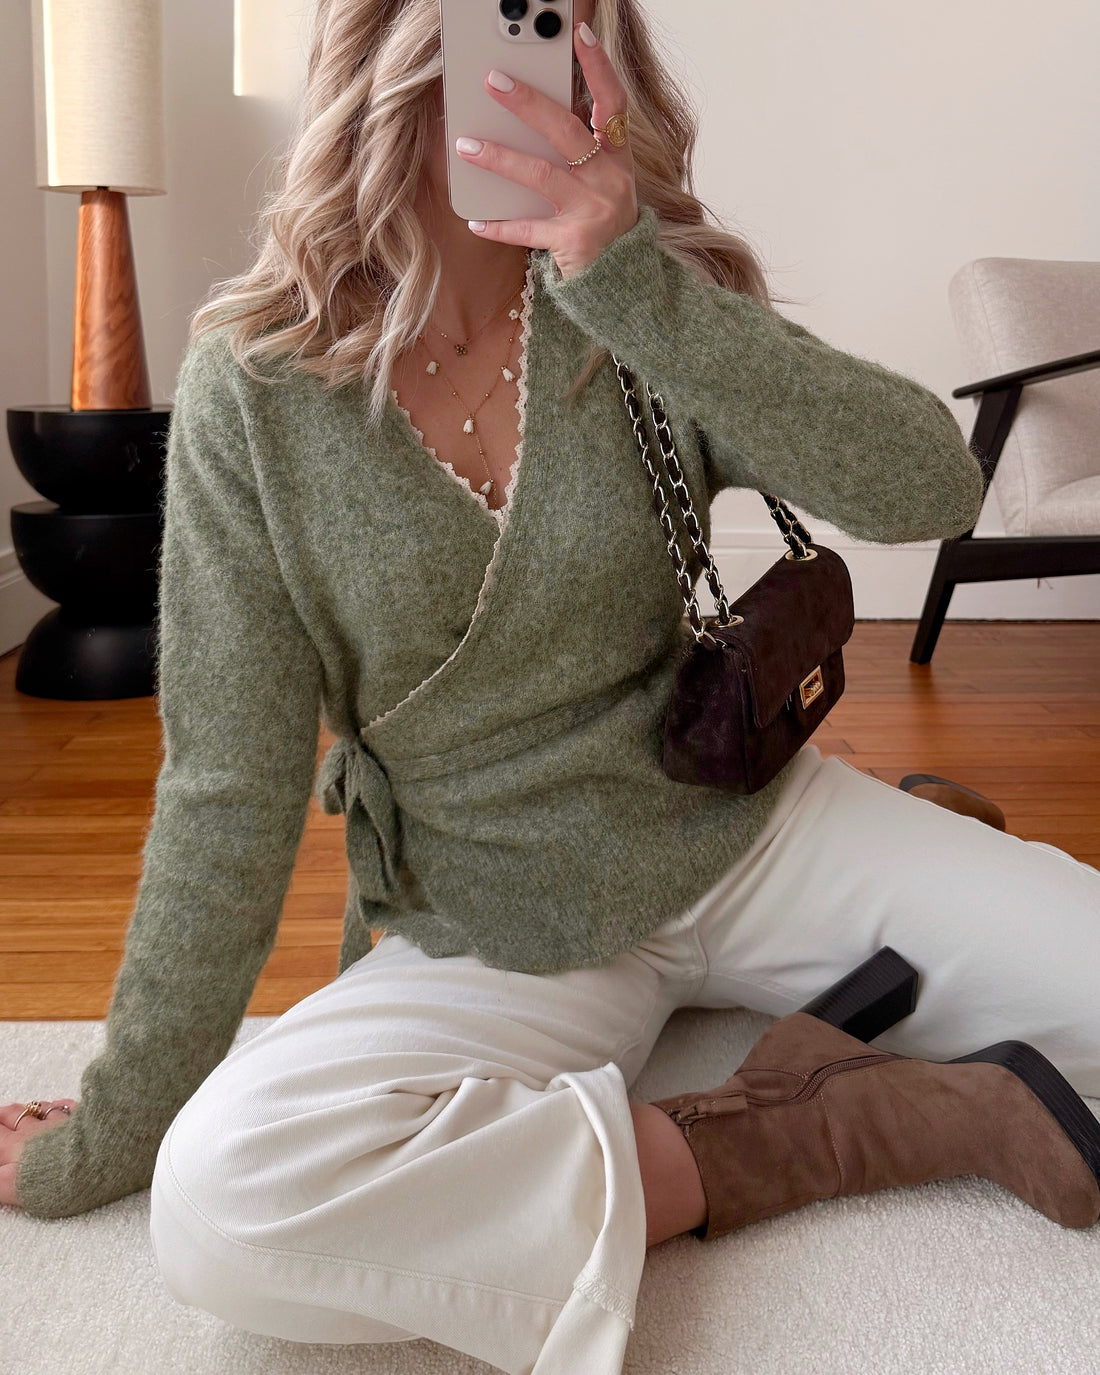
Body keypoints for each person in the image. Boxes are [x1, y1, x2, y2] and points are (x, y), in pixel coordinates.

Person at [5, 2, 1099, 1373]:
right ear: (394, 60)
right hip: (490, 924)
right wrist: (124, 1121)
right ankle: (814, 1124)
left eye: (567, 34)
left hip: (746, 830)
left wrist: (635, 284)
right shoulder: (257, 385)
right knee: (225, 1205)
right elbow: (228, 789)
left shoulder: (645, 291)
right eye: (501, 34)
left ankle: (883, 915)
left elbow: (931, 488)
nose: (534, 78)